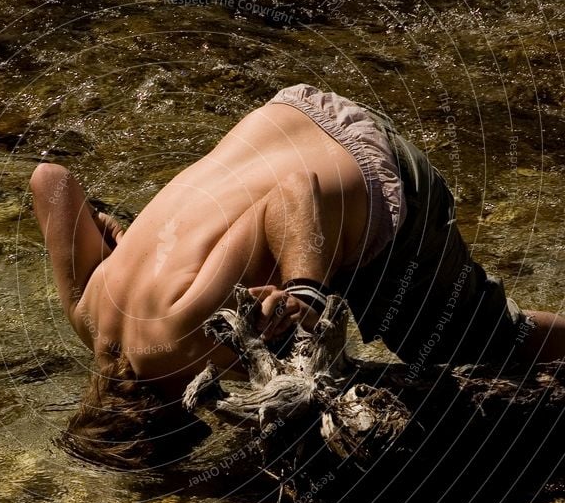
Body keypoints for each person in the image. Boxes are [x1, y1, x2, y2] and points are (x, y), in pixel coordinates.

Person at [31, 84, 565, 468]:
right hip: (292, 111)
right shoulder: (88, 314)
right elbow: (50, 181)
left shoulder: (191, 348)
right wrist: (119, 239)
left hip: (367, 166)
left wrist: (305, 290)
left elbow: (292, 189)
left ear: (180, 421)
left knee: (471, 343)